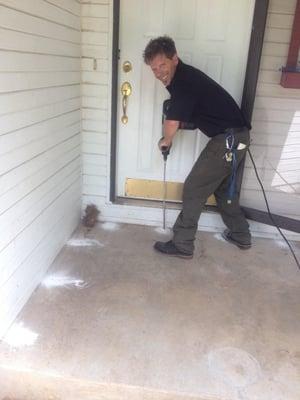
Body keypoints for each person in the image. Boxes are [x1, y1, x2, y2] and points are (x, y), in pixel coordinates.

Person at [143, 35, 252, 259]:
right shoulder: (186, 78)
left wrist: (166, 140)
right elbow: (193, 113)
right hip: (238, 138)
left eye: (162, 65)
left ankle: (182, 244)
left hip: (227, 141)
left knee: (194, 188)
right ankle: (241, 235)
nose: (158, 72)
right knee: (223, 190)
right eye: (153, 68)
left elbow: (172, 122)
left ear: (175, 58)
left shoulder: (183, 82)